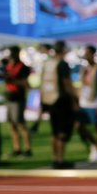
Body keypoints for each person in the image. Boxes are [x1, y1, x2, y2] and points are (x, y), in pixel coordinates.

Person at [39, 41, 77, 169]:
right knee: (62, 131)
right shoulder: (62, 64)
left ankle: (55, 158)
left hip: (50, 100)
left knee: (54, 132)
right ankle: (60, 159)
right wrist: (74, 99)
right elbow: (67, 83)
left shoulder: (48, 63)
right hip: (62, 101)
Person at [2, 46, 34, 158]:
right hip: (9, 97)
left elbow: (26, 84)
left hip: (18, 98)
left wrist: (12, 80)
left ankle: (28, 149)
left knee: (21, 124)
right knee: (12, 125)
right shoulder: (9, 66)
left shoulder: (23, 67)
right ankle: (17, 149)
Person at [76, 45, 97, 163]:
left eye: (88, 53)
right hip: (84, 102)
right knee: (79, 126)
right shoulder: (83, 69)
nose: (86, 56)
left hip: (95, 102)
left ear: (93, 54)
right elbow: (81, 85)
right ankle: (94, 144)